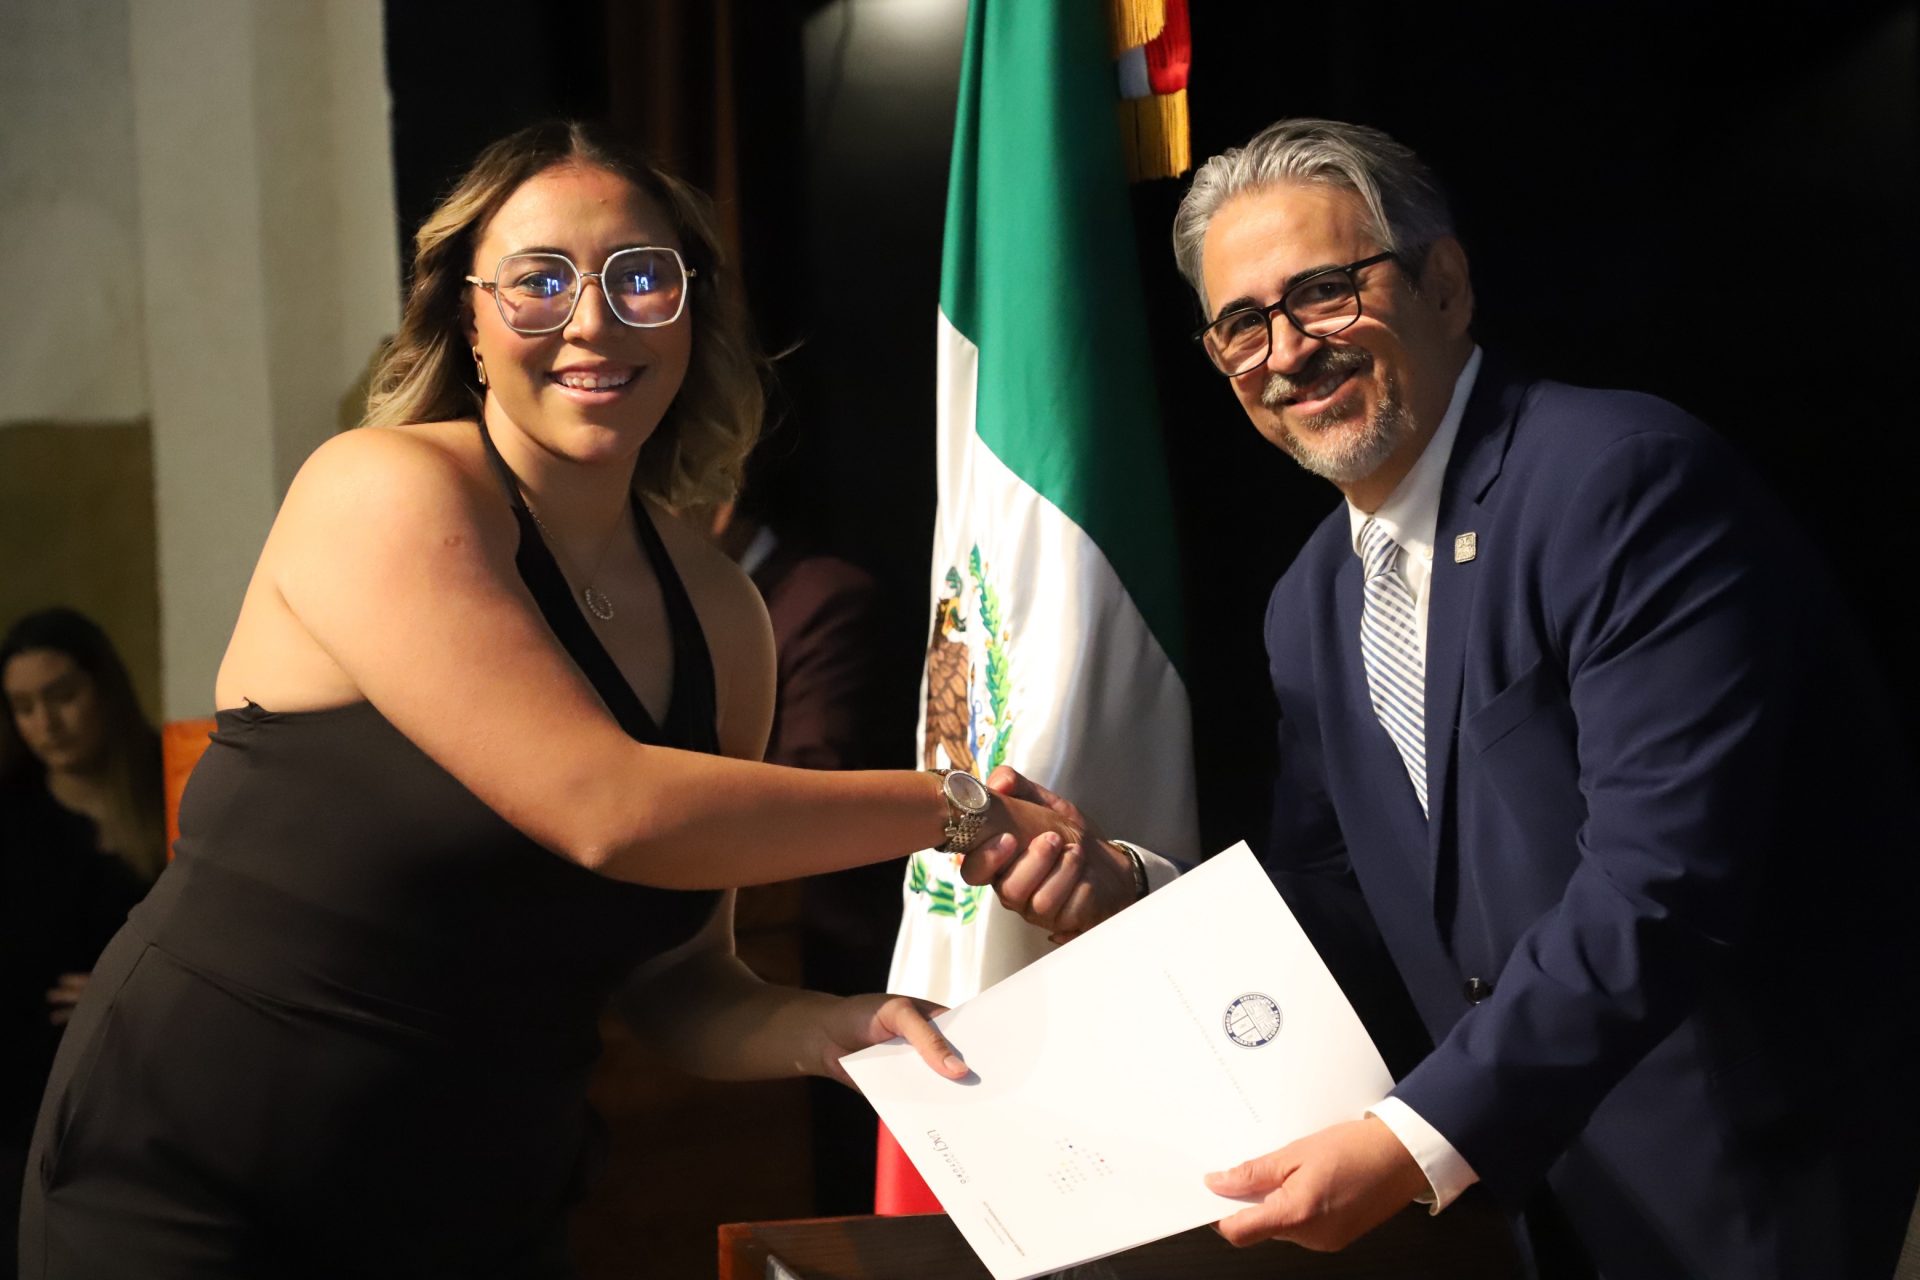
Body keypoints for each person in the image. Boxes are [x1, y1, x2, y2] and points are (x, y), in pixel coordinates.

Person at [18, 120, 1077, 1279]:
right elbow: (606, 807)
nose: (593, 320)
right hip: (200, 1182)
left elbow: (681, 981)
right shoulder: (379, 487)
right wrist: (955, 806)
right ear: (466, 319)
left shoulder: (724, 613)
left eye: (640, 277)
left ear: (691, 312)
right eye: (539, 280)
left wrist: (830, 1026)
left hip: (481, 1212)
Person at [969, 118, 1920, 1278]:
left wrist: (1411, 1138)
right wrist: (1132, 884)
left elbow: (1660, 881)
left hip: (1759, 1184)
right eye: (1241, 325)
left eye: (1322, 293)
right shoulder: (1312, 600)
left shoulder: (1618, 480)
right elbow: (1350, 906)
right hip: (1544, 1212)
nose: (1286, 352)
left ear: (1446, 284)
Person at [1, 609, 161, 1278]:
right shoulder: (14, 821)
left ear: (104, 689)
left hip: (156, 1093)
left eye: (62, 695)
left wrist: (123, 990)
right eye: (23, 707)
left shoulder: (177, 784)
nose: (46, 723)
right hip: (32, 1111)